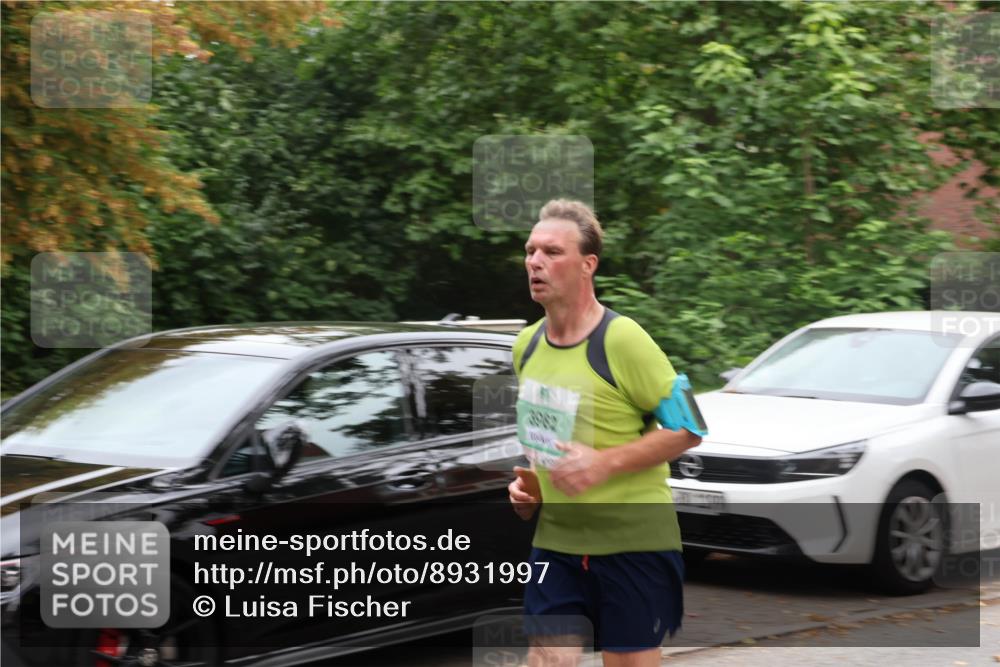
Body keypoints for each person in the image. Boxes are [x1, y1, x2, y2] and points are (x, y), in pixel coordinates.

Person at [508, 199, 702, 667]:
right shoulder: (526, 346)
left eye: (552, 252)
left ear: (587, 265)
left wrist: (601, 463)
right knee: (547, 659)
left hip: (633, 543)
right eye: (531, 251)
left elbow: (690, 427)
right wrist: (528, 487)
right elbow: (543, 438)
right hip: (557, 543)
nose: (535, 261)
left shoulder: (623, 339)